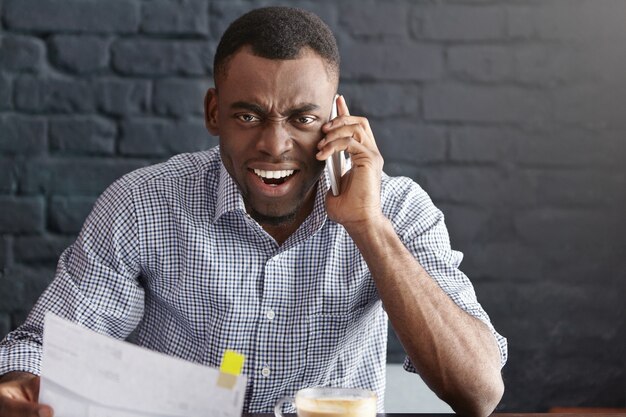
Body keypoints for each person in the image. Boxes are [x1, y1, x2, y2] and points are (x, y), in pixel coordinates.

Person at [0, 6, 507, 417]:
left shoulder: (396, 210)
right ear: (214, 113)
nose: (275, 145)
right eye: (249, 115)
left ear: (336, 119)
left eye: (302, 118)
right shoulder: (142, 204)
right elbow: (41, 347)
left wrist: (370, 229)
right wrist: (19, 388)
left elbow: (478, 393)